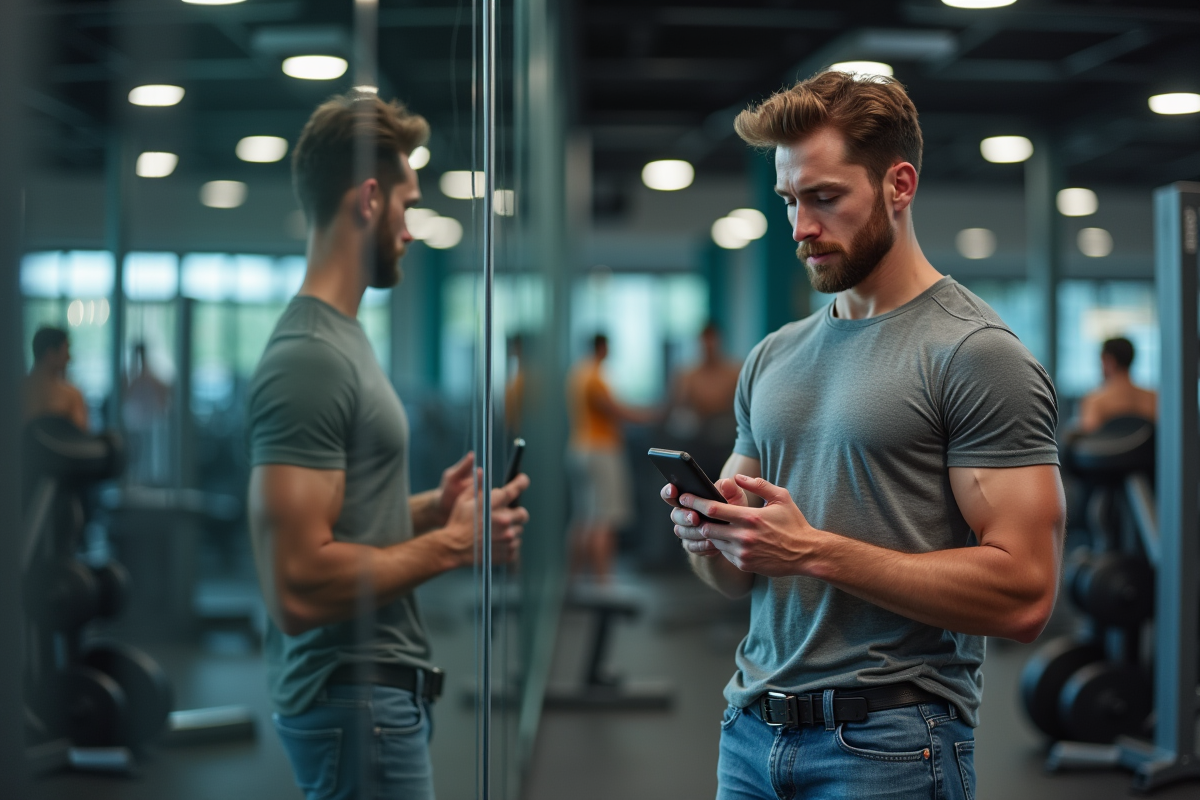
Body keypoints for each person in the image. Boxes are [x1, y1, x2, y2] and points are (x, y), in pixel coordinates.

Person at [660, 70, 1064, 800]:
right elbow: (734, 578)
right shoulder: (774, 355)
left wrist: (812, 551)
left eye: (824, 197)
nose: (800, 227)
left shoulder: (975, 353)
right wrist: (711, 536)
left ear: (898, 185)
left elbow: (1026, 594)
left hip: (887, 747)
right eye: (789, 201)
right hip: (750, 734)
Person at [246, 91, 530, 800]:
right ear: (370, 198)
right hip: (355, 700)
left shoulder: (344, 337)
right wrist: (457, 546)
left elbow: (346, 526)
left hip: (372, 700)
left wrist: (438, 510)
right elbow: (297, 586)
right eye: (407, 204)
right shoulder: (308, 355)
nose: (411, 228)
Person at [566, 333, 653, 583]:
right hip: (600, 451)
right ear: (602, 347)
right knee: (604, 519)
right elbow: (616, 410)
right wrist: (652, 415)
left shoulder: (577, 373)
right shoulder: (594, 376)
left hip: (579, 448)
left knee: (583, 517)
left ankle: (572, 581)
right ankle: (604, 584)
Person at [666, 323, 741, 443]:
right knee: (681, 426)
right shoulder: (687, 373)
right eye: (705, 340)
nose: (708, 345)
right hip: (696, 427)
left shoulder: (734, 372)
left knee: (722, 429)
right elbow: (676, 404)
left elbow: (737, 405)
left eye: (712, 340)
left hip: (724, 426)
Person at [1076, 336, 1155, 433]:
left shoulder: (1095, 401)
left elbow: (1088, 439)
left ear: (1109, 361)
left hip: (1104, 448)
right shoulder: (1153, 398)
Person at [23, 326, 88, 430]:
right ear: (50, 354)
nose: (69, 358)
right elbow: (80, 435)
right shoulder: (71, 395)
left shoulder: (16, 390)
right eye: (65, 351)